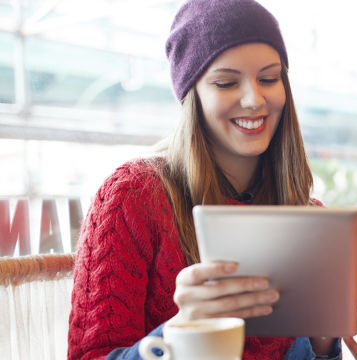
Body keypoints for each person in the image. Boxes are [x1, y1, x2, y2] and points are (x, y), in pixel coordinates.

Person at [67, 0, 339, 359]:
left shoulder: (307, 215)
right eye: (226, 82)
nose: (254, 99)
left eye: (269, 79)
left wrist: (322, 339)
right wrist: (183, 328)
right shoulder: (132, 196)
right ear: (192, 95)